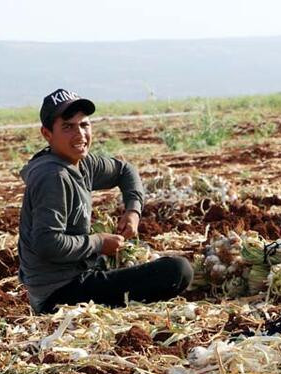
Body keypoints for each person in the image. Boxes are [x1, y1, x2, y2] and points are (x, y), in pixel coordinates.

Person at [18, 88, 193, 314]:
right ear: (47, 134)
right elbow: (48, 244)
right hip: (59, 294)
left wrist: (133, 210)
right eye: (68, 127)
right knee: (177, 271)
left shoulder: (81, 162)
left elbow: (126, 171)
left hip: (77, 277)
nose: (80, 134)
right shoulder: (53, 176)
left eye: (84, 125)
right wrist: (99, 242)